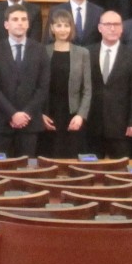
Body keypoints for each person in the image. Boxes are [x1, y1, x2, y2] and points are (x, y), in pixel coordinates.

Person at [0, 7, 49, 157]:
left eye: (23, 19)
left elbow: (43, 87)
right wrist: (12, 114)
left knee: (27, 166)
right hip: (1, 121)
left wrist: (25, 114)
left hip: (30, 122)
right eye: (15, 19)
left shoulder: (40, 50)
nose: (20, 23)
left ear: (28, 24)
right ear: (6, 24)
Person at [90, 12, 132, 157]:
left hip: (121, 126)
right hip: (92, 125)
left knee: (121, 167)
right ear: (100, 28)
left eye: (116, 24)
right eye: (108, 24)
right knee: (89, 167)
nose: (112, 28)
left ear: (122, 28)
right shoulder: (87, 52)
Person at [41, 13, 92, 158]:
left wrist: (81, 115)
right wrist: (40, 114)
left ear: (71, 28)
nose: (63, 29)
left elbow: (87, 89)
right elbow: (36, 86)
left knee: (71, 157)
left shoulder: (82, 53)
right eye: (59, 25)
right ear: (52, 28)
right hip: (48, 114)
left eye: (66, 25)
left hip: (72, 114)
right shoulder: (42, 51)